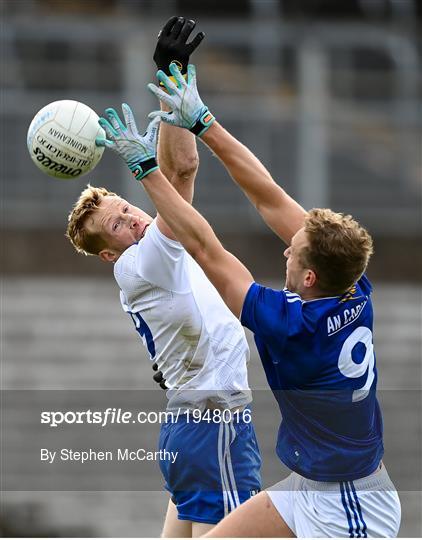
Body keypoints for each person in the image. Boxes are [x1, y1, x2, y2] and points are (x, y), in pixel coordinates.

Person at [95, 61, 402, 538]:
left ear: (309, 274)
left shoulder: (291, 325)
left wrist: (146, 170)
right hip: (309, 485)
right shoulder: (351, 283)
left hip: (350, 506)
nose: (285, 246)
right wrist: (202, 122)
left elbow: (201, 245)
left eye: (293, 251)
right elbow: (270, 198)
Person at [66, 20, 261, 538]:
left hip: (187, 423)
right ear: (109, 254)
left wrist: (175, 87)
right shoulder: (140, 263)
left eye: (127, 207)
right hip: (215, 419)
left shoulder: (160, 248)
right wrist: (169, 80)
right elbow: (175, 179)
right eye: (118, 224)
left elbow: (183, 173)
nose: (133, 218)